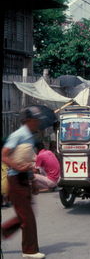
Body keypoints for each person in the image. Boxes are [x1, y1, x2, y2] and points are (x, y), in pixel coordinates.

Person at [1, 106, 46, 259]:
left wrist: (33, 181)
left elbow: (27, 160)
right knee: (27, 217)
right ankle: (29, 251)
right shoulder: (18, 135)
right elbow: (4, 155)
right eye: (36, 119)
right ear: (28, 120)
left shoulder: (29, 136)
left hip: (23, 179)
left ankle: (4, 232)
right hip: (15, 179)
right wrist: (18, 166)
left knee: (25, 216)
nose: (38, 122)